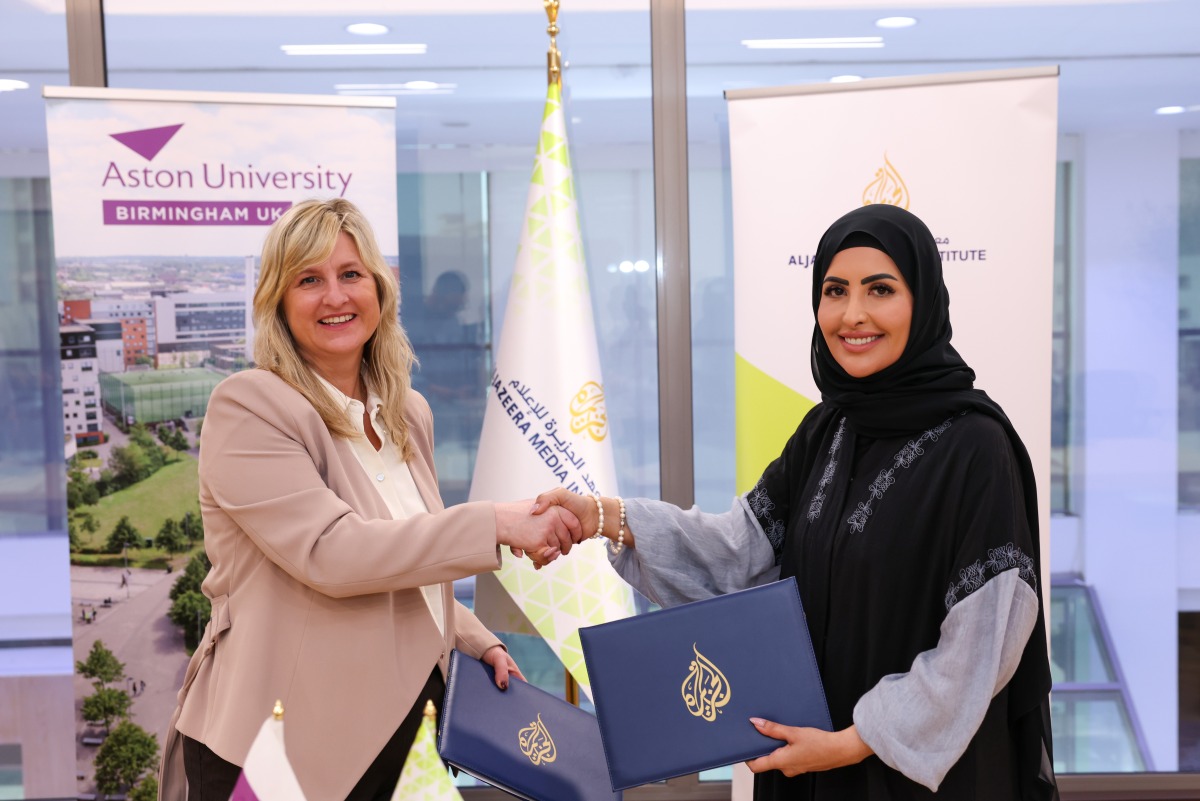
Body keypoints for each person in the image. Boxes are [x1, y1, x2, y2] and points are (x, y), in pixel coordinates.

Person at [535, 204, 1058, 800]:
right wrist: (605, 517)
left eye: (880, 289)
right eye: (835, 291)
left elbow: (982, 646)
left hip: (914, 780)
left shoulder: (977, 447)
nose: (852, 314)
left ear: (924, 302)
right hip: (805, 764)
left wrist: (851, 743)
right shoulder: (828, 428)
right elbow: (739, 552)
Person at [158, 198, 585, 801]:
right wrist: (494, 523)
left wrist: (473, 637)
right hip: (283, 749)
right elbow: (333, 553)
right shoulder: (249, 407)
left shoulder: (408, 413)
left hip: (408, 732)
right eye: (309, 280)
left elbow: (405, 557)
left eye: (351, 274)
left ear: (380, 290)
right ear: (278, 302)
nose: (335, 296)